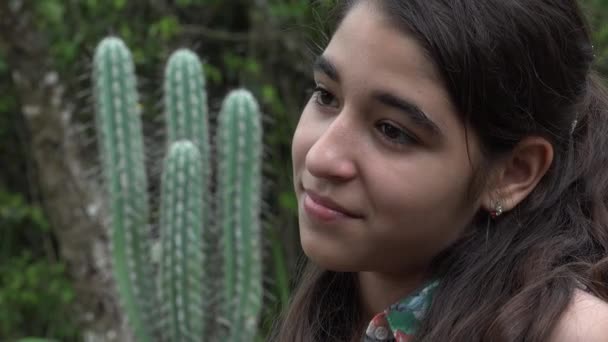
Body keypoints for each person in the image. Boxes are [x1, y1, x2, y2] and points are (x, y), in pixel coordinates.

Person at [271, 0, 608, 341]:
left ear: (512, 174)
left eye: (392, 131)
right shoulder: (336, 309)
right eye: (326, 96)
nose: (320, 157)